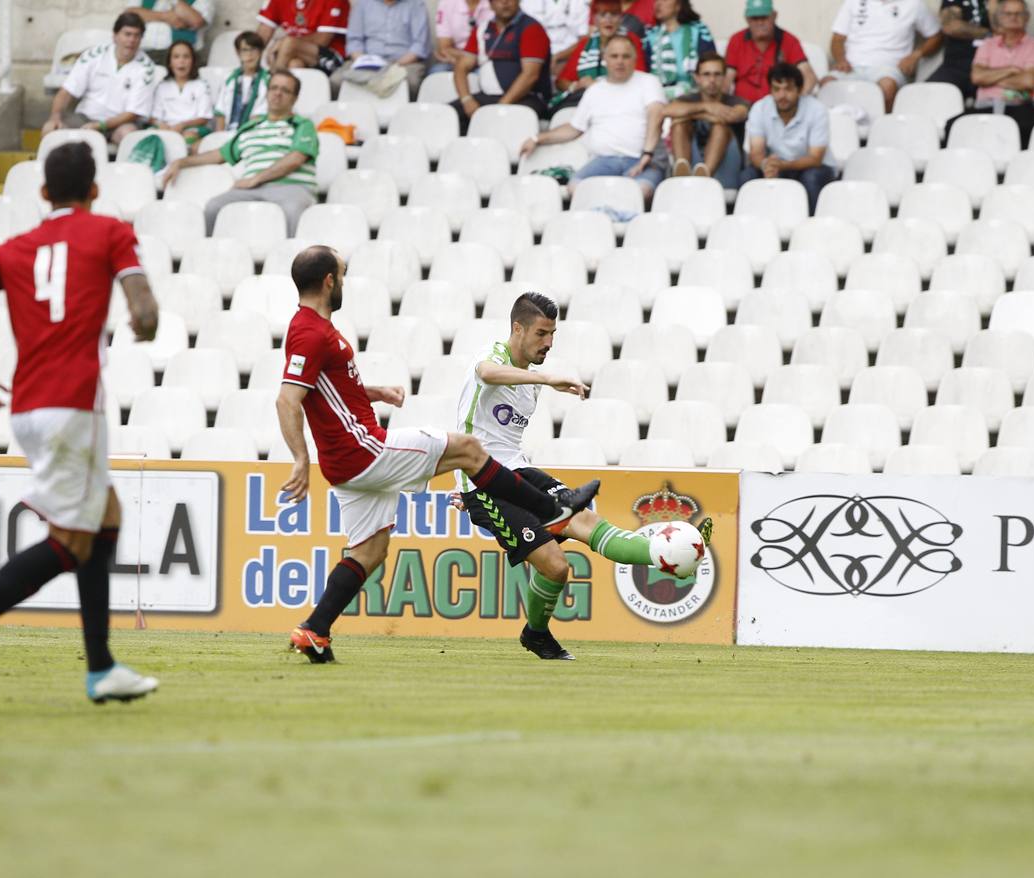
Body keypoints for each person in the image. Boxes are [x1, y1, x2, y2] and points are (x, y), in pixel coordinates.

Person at [275, 246, 602, 663]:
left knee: (370, 551)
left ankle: (314, 631)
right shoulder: (312, 332)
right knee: (467, 448)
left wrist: (373, 392)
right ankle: (552, 509)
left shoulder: (310, 328)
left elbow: (324, 389)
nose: (345, 280)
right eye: (343, 273)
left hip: (347, 467)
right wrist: (300, 459)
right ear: (328, 282)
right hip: (363, 449)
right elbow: (287, 400)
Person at [0, 142, 161, 706]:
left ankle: (101, 667)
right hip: (73, 405)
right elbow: (143, 309)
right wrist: (144, 324)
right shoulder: (109, 232)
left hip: (27, 405)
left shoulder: (15, 248)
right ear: (94, 191)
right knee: (72, 541)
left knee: (105, 519)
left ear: (44, 193)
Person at [452, 292, 712, 660]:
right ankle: (537, 634)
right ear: (517, 328)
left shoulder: (527, 379)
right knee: (557, 568)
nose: (549, 342)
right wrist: (545, 378)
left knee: (587, 520)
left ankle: (664, 554)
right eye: (542, 333)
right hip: (481, 482)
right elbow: (486, 374)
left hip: (516, 469)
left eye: (553, 333)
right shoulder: (493, 356)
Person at [164, 69, 319, 237]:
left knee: (293, 210)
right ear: (266, 93)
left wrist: (255, 179)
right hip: (252, 189)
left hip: (292, 187)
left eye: (285, 90)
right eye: (274, 88)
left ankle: (291, 261)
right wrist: (181, 162)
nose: (278, 93)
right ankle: (209, 258)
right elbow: (219, 155)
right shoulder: (250, 127)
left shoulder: (303, 125)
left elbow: (295, 159)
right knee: (214, 206)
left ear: (294, 98)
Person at [520, 33, 667, 200]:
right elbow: (574, 128)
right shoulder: (594, 91)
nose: (620, 61)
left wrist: (647, 154)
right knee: (576, 187)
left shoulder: (649, 82)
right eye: (614, 56)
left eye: (625, 56)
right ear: (605, 59)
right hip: (604, 161)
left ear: (634, 59)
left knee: (639, 191)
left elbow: (656, 115)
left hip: (644, 160)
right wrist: (536, 138)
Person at [42, 13, 157, 147]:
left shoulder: (147, 67)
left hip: (120, 124)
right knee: (50, 129)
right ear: (115, 36)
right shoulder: (94, 55)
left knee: (128, 135)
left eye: (136, 35)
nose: (131, 40)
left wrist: (100, 125)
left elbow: (133, 113)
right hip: (85, 118)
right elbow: (67, 91)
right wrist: (55, 116)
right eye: (127, 34)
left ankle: (123, 168)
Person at [743, 62, 835, 214]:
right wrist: (766, 164)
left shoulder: (816, 110)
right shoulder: (760, 108)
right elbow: (756, 152)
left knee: (811, 178)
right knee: (747, 176)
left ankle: (811, 227)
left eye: (788, 89)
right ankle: (750, 228)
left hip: (814, 168)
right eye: (776, 89)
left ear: (799, 90)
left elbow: (815, 158)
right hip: (777, 165)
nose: (782, 95)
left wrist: (782, 165)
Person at [452, 0, 553, 132]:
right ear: (490, 3)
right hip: (488, 97)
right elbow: (461, 68)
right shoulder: (482, 29)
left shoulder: (531, 28)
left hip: (527, 98)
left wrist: (500, 107)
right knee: (449, 115)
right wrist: (466, 100)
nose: (505, 2)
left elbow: (530, 75)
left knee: (505, 121)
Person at [824, 0, 943, 112]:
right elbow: (837, 39)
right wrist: (841, 60)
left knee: (887, 87)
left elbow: (936, 36)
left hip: (889, 69)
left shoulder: (914, 4)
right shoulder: (853, 2)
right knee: (827, 84)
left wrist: (915, 55)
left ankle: (880, 130)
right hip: (851, 67)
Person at [662, 52, 750, 188]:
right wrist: (708, 108)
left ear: (725, 77)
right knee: (679, 124)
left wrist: (692, 113)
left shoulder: (736, 100)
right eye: (706, 74)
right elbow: (666, 110)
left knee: (720, 127)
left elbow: (736, 114)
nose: (712, 80)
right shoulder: (688, 99)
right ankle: (682, 173)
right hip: (692, 162)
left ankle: (704, 178)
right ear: (697, 78)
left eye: (717, 74)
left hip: (727, 170)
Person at [967, 0, 1034, 146]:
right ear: (999, 17)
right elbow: (977, 77)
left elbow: (1029, 81)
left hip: (1019, 107)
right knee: (954, 125)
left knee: (1033, 127)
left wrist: (990, 78)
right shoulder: (987, 44)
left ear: (1027, 17)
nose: (1013, 17)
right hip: (985, 107)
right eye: (1008, 13)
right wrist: (1010, 70)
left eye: (1018, 13)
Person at [552, 0, 645, 111]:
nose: (608, 20)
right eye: (602, 15)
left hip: (620, 102)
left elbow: (640, 78)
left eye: (614, 15)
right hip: (582, 102)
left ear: (621, 18)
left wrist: (598, 86)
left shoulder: (631, 40)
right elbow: (561, 81)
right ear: (595, 19)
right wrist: (576, 85)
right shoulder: (586, 43)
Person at [724, 0, 816, 104]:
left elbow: (809, 76)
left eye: (764, 17)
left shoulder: (789, 40)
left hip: (777, 108)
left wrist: (796, 103)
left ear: (774, 16)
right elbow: (726, 80)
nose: (760, 22)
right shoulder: (736, 40)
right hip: (742, 108)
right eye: (754, 18)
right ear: (747, 19)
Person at [334, 0, 433, 96]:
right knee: (336, 81)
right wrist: (364, 61)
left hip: (404, 63)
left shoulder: (416, 5)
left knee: (411, 83)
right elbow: (354, 41)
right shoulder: (363, 4)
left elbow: (420, 45)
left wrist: (396, 64)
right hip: (367, 61)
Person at [643, 0, 716, 99]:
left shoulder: (698, 30)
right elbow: (645, 71)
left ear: (678, 5)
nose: (658, 4)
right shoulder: (649, 34)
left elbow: (711, 63)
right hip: (658, 96)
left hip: (696, 93)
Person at [257, 0, 351, 75]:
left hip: (331, 58)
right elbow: (262, 34)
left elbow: (323, 39)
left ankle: (273, 82)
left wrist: (282, 44)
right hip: (295, 54)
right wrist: (251, 56)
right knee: (295, 64)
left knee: (289, 43)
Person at [150, 40, 215, 145]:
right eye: (176, 57)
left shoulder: (201, 85)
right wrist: (162, 125)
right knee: (149, 136)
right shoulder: (162, 86)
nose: (181, 61)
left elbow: (204, 118)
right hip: (167, 127)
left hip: (192, 128)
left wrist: (182, 125)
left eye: (186, 57)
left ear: (193, 61)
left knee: (188, 137)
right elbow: (154, 118)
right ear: (170, 62)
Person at [926, 0, 994, 100]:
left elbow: (1006, 26)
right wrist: (990, 34)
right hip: (956, 65)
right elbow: (951, 26)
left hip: (994, 66)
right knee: (926, 96)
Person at [213, 31, 270, 133]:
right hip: (228, 133)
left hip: (254, 134)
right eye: (245, 50)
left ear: (261, 52)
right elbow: (220, 113)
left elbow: (262, 115)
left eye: (254, 49)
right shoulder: (229, 78)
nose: (249, 54)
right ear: (238, 53)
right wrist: (219, 138)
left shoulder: (269, 80)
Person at [521, 0, 591, 75]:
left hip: (570, 57)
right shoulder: (526, 3)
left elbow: (585, 38)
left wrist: (558, 57)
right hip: (537, 57)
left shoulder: (580, 2)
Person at [127, 0, 213, 61]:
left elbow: (196, 21)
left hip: (178, 58)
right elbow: (129, 14)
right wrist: (165, 16)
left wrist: (175, 2)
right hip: (141, 51)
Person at [430, 0, 493, 75]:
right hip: (456, 60)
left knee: (485, 75)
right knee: (437, 72)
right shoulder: (447, 3)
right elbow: (444, 48)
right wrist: (466, 61)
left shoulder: (495, 3)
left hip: (486, 59)